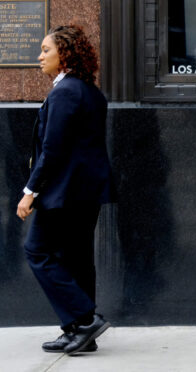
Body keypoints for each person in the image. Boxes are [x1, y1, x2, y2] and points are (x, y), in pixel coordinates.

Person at [16, 25, 113, 356]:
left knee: (37, 251)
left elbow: (52, 151)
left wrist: (30, 191)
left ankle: (85, 321)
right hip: (84, 191)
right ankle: (79, 331)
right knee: (77, 259)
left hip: (66, 193)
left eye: (46, 50)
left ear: (65, 55)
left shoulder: (66, 92)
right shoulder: (87, 90)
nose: (39, 56)